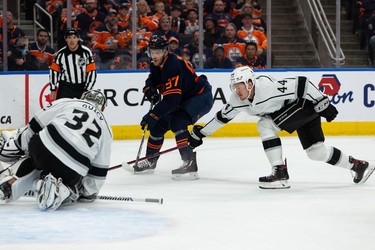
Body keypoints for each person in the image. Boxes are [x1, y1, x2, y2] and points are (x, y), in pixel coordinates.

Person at [188, 66, 374, 189]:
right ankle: (358, 166)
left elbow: (302, 83)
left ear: (250, 83)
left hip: (302, 105)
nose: (237, 90)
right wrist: (200, 133)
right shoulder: (237, 100)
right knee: (315, 152)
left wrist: (322, 102)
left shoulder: (266, 88)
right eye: (234, 87)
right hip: (298, 112)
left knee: (265, 125)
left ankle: (280, 173)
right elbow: (222, 117)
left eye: (240, 86)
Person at [0, 90, 112, 211]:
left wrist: (16, 146)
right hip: (73, 168)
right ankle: (62, 190)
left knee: (35, 158)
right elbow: (99, 170)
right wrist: (87, 193)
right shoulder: (106, 128)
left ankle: (11, 181)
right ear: (103, 108)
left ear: (82, 97)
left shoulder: (68, 102)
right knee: (73, 185)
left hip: (44, 147)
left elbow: (35, 125)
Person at [135, 34, 213, 180]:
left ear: (166, 51)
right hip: (183, 99)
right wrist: (150, 89)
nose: (154, 55)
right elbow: (152, 80)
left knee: (178, 121)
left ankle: (189, 161)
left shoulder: (173, 65)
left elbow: (171, 100)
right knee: (157, 125)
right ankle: (151, 160)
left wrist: (152, 114)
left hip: (200, 96)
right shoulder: (156, 64)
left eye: (158, 52)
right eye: (152, 51)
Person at [49, 27, 97, 101]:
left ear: (78, 39)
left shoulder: (86, 52)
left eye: (74, 37)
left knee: (81, 110)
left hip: (82, 87)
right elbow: (53, 71)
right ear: (66, 39)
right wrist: (53, 88)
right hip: (65, 87)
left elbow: (92, 72)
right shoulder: (61, 53)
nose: (72, 40)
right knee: (63, 110)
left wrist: (87, 90)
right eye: (69, 37)